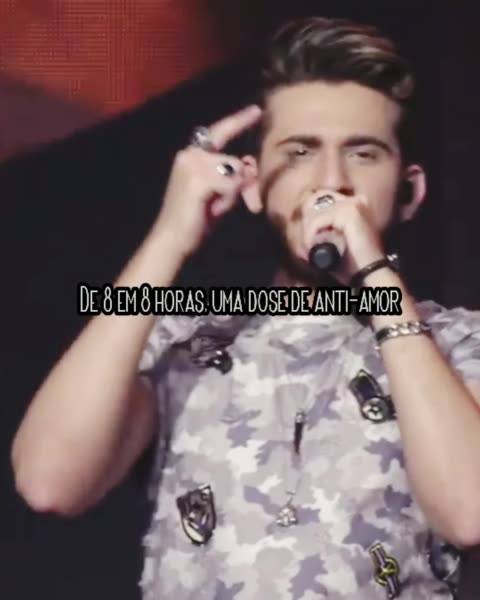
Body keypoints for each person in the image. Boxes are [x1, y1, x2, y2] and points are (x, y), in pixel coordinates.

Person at [11, 16, 480, 599]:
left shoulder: (457, 342)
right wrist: (169, 238)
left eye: (363, 154)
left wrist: (377, 279)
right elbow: (49, 481)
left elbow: (470, 512)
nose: (331, 181)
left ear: (409, 192)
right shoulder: (188, 340)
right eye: (300, 152)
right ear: (255, 185)